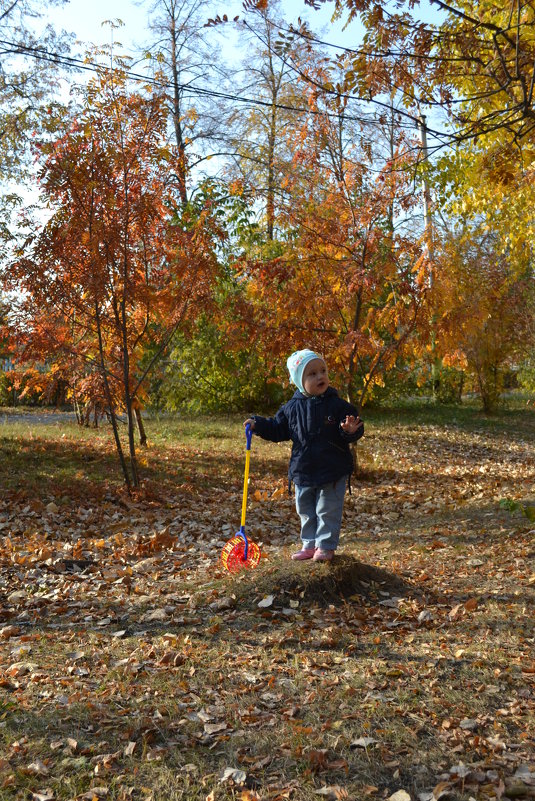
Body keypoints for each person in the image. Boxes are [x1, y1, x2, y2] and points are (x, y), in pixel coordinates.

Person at [244, 349, 364, 562]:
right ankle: (309, 544)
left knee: (328, 508)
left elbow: (352, 425)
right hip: (304, 469)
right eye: (312, 374)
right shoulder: (291, 408)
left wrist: (350, 430)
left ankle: (325, 545)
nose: (320, 376)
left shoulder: (337, 406)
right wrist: (258, 424)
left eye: (323, 371)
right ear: (299, 381)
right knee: (306, 509)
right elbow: (278, 428)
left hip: (332, 468)